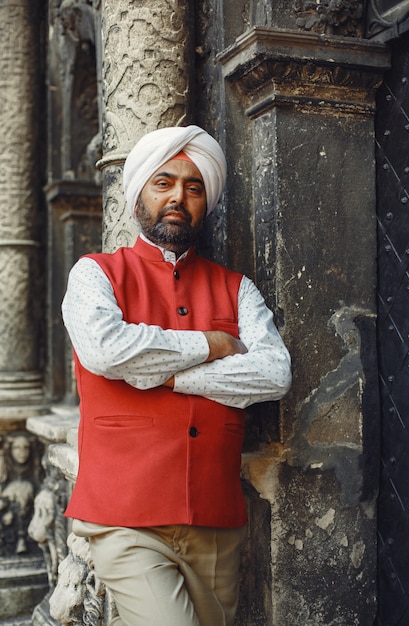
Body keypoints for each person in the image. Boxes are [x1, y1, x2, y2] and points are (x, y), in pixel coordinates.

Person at [61, 125, 291, 626]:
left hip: (214, 517)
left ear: (205, 200)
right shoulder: (95, 274)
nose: (178, 197)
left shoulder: (238, 288)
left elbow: (273, 373)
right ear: (139, 193)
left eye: (193, 186)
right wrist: (210, 345)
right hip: (125, 517)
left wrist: (169, 376)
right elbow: (107, 350)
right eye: (163, 183)